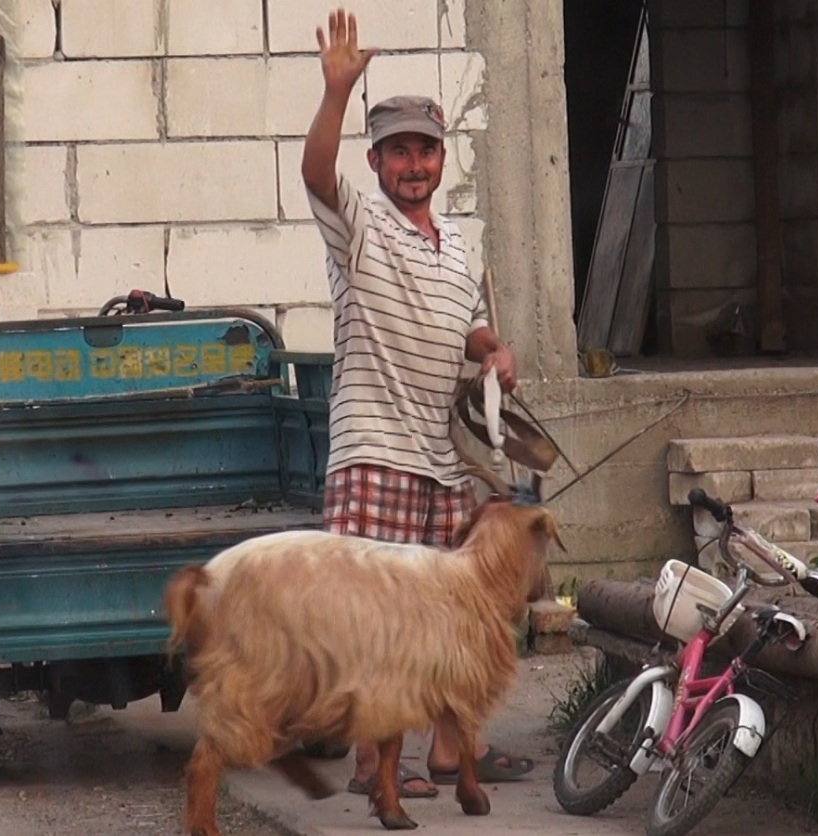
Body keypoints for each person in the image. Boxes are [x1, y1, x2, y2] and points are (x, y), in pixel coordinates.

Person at [300, 7, 536, 800]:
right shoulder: (359, 225)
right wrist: (336, 91)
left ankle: (444, 752)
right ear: (375, 160)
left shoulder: (459, 243)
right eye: (397, 150)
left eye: (424, 149)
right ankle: (374, 764)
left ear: (441, 158)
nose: (412, 163)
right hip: (371, 451)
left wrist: (492, 350)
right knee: (375, 626)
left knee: (451, 621)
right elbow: (313, 172)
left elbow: (463, 320)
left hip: (441, 463)